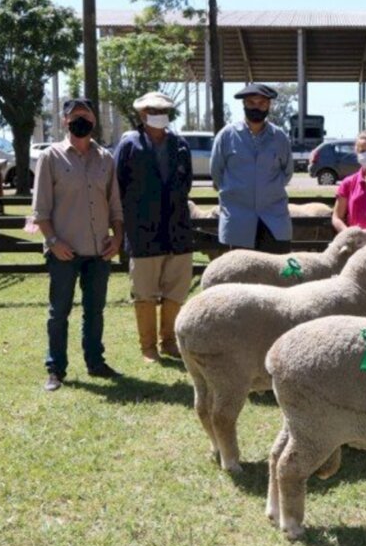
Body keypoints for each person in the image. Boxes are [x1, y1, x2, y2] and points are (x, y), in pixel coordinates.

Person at [31, 98, 124, 392]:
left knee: (94, 312)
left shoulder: (106, 159)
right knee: (59, 312)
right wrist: (53, 241)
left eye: (86, 116)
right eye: (74, 116)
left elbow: (115, 207)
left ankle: (95, 363)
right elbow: (40, 211)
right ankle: (55, 369)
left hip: (99, 251)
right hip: (64, 252)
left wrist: (118, 238)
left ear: (94, 121)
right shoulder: (51, 157)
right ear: (64, 121)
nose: (80, 121)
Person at [115, 91, 194, 363]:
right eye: (152, 110)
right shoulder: (129, 145)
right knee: (145, 292)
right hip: (143, 232)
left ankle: (168, 341)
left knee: (176, 289)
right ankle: (148, 347)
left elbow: (186, 184)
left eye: (163, 110)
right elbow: (118, 187)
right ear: (141, 114)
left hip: (178, 230)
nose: (158, 114)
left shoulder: (181, 145)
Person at [209, 83, 293, 252]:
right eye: (251, 103)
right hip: (238, 221)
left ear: (269, 105)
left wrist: (268, 190)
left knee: (275, 274)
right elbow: (216, 173)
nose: (257, 107)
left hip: (273, 221)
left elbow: (287, 172)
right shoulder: (226, 136)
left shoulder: (280, 138)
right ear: (244, 105)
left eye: (262, 103)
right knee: (239, 274)